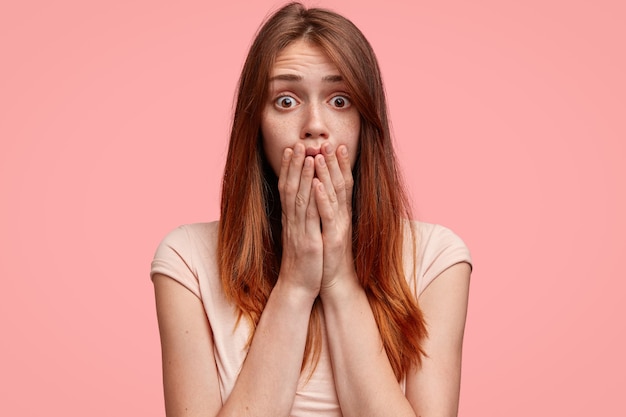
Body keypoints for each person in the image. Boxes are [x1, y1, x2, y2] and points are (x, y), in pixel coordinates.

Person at [151, 2, 472, 416]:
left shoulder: (438, 260)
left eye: (340, 100)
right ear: (256, 123)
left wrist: (339, 281)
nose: (314, 124)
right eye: (286, 100)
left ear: (365, 123)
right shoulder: (186, 261)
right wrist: (295, 285)